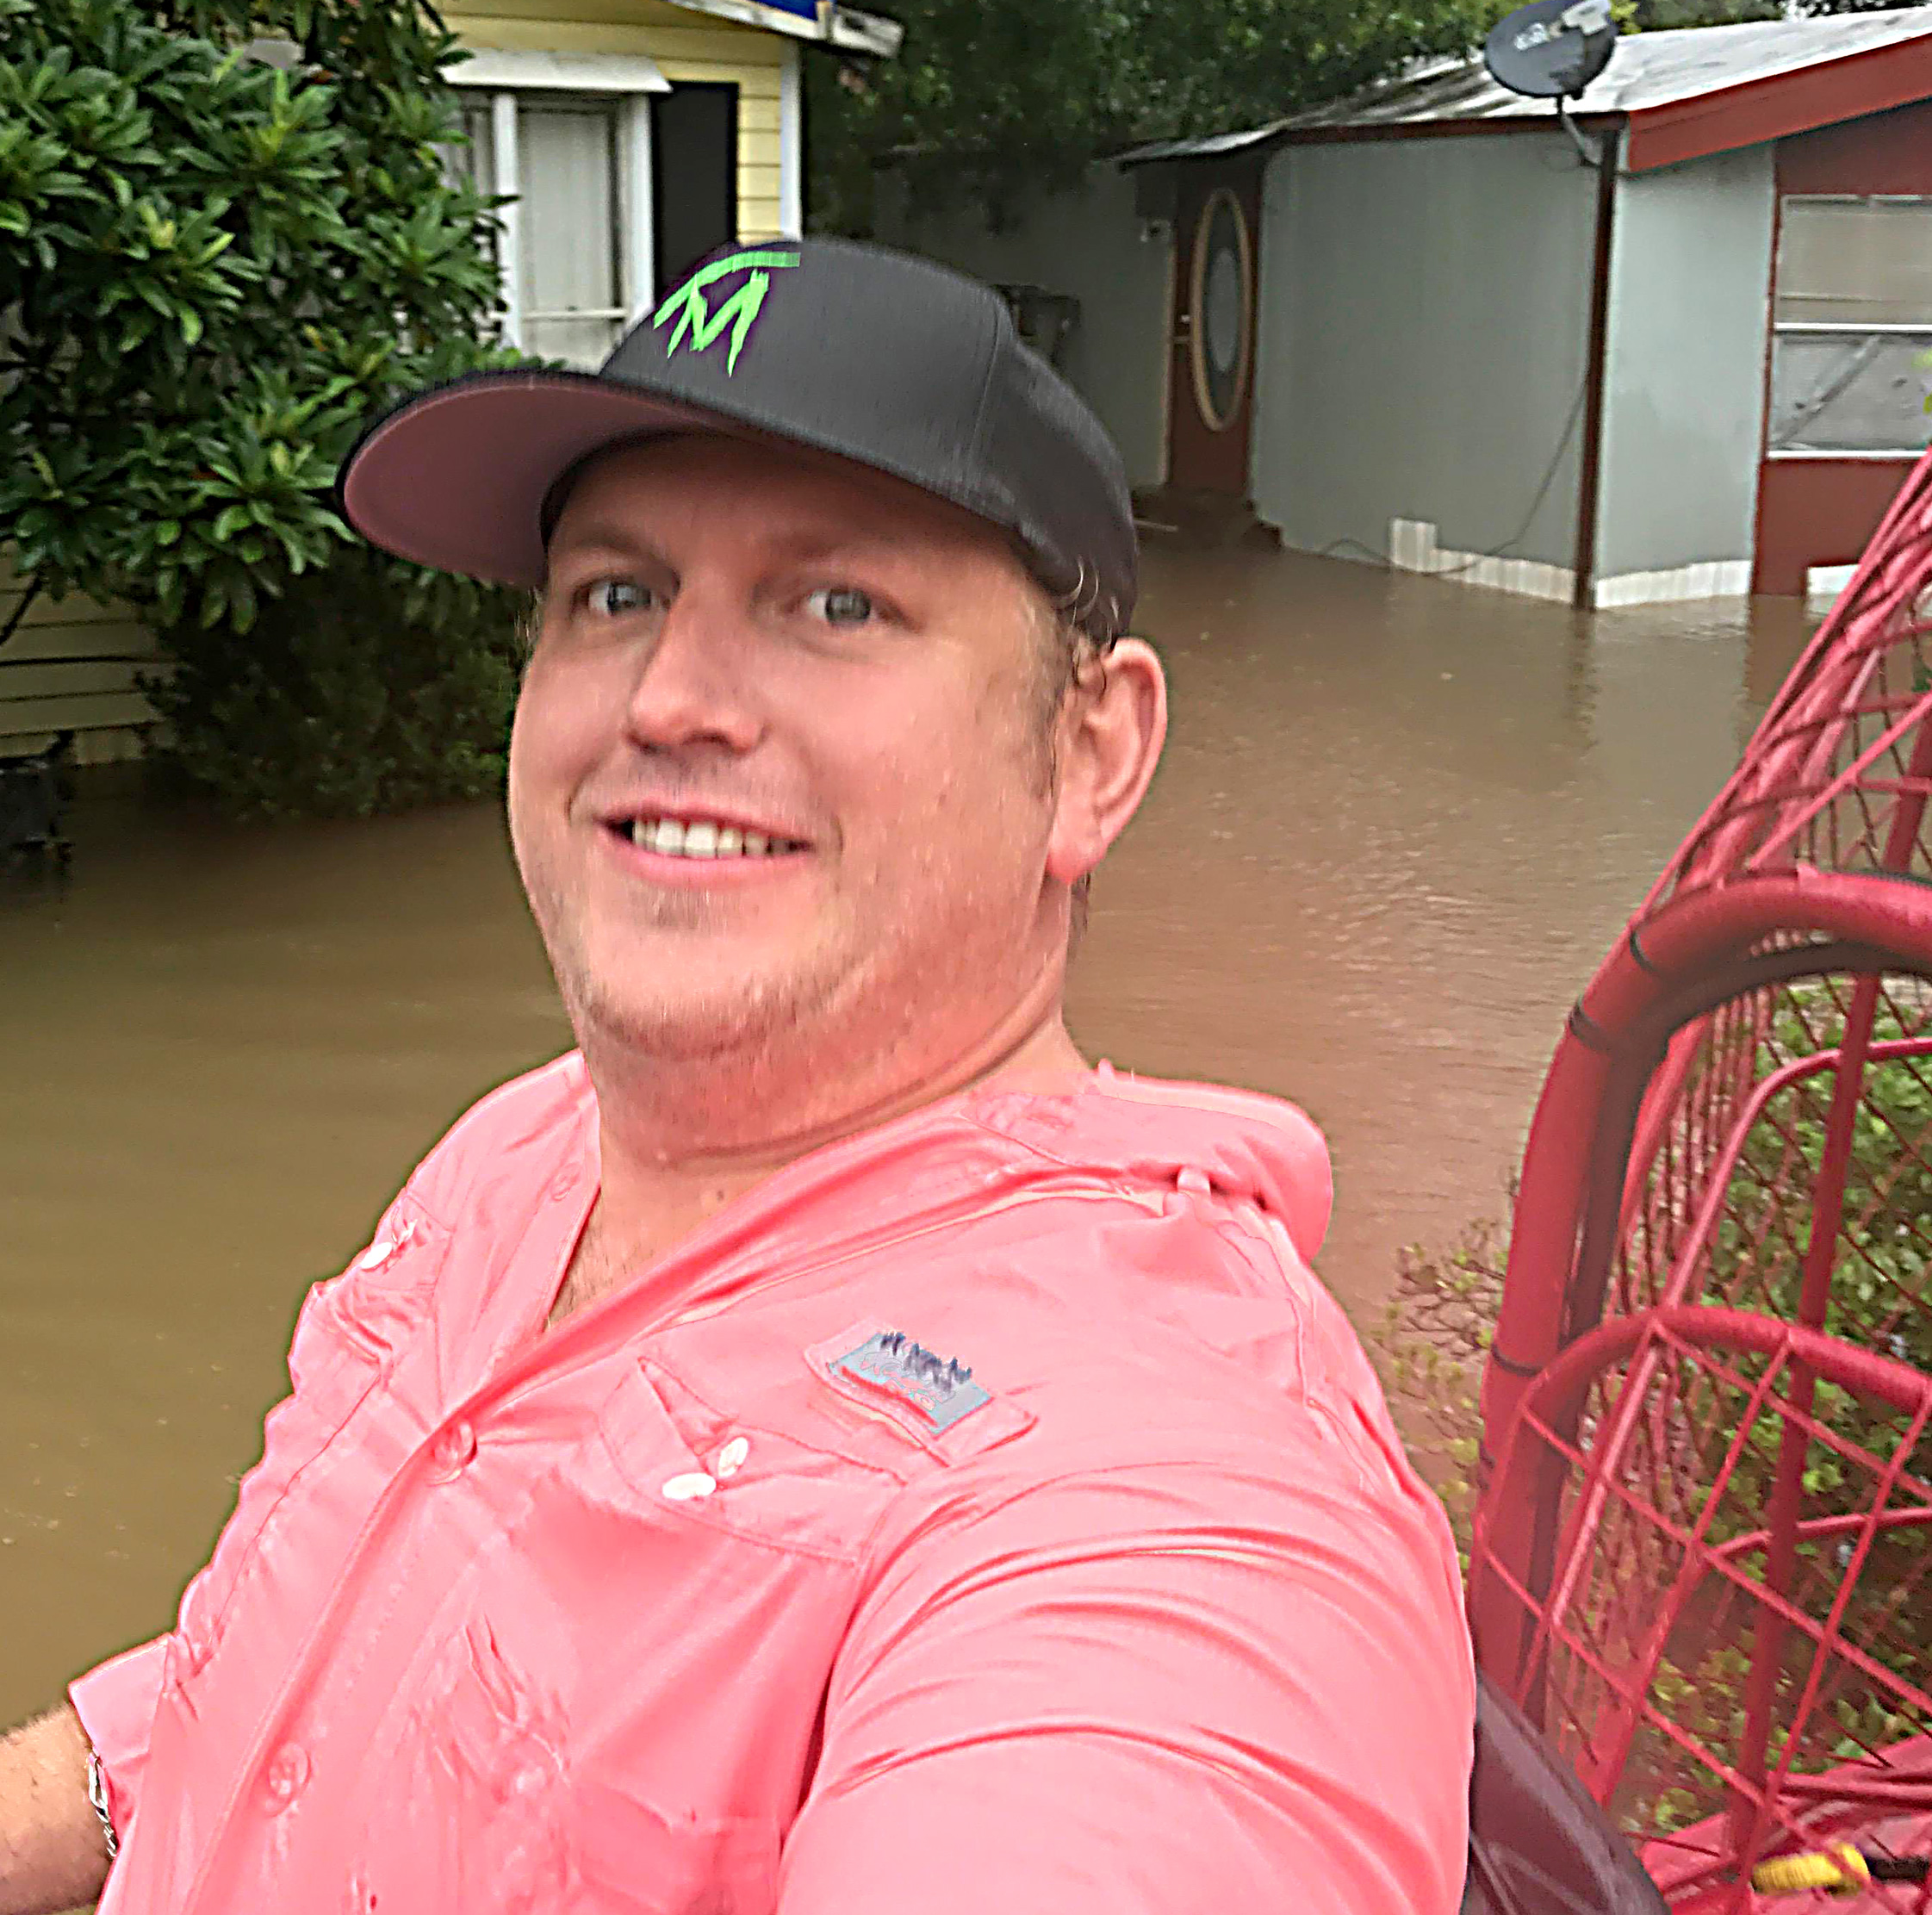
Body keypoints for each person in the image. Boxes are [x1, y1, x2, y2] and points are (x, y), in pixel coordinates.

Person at [0, 236, 1473, 1915]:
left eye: (836, 604)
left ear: (1089, 753)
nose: (670, 699)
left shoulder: (1164, 1492)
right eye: (615, 595)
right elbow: (311, 1655)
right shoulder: (525, 1147)